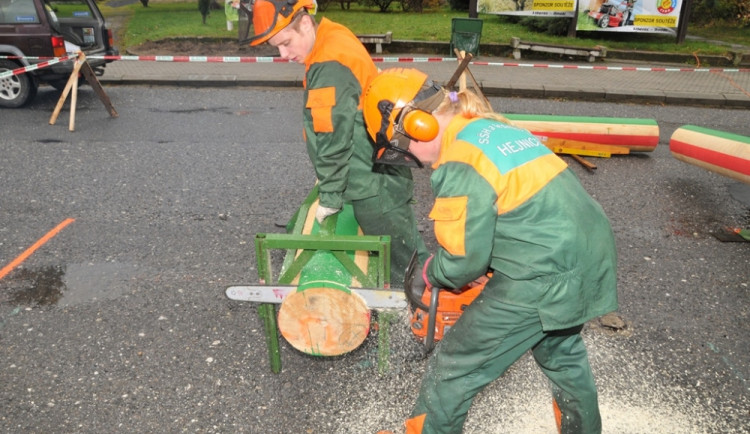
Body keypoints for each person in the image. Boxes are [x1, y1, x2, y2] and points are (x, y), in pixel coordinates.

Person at [361, 68, 619, 434]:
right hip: (587, 253)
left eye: (403, 148)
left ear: (419, 125)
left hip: (543, 272)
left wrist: (433, 273)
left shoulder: (459, 159)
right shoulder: (491, 128)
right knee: (561, 354)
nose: (412, 161)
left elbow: (463, 262)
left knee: (453, 368)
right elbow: (522, 208)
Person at [246, 0, 428, 285]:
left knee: (404, 260)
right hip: (377, 168)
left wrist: (330, 196)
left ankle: (425, 306)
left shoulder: (328, 64)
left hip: (370, 182)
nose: (283, 54)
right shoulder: (332, 34)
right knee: (404, 241)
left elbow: (333, 136)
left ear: (305, 23)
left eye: (286, 43)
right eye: (276, 48)